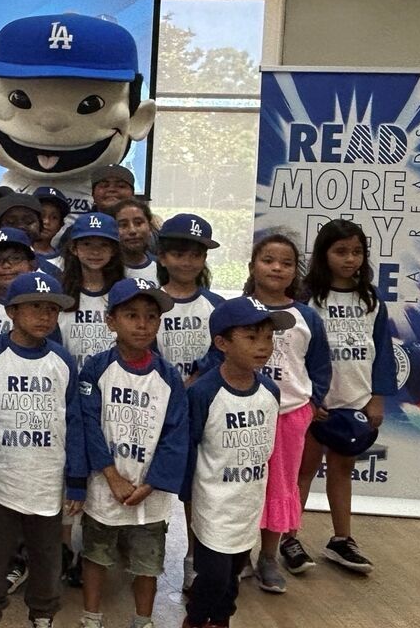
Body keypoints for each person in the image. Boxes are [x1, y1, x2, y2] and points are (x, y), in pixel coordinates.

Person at [0, 271, 83, 628]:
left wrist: (76, 480)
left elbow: (73, 421)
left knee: (47, 556)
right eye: (34, 308)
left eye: (51, 309)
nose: (44, 316)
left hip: (46, 479)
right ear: (11, 311)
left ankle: (43, 614)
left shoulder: (62, 360)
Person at [223, 234, 331, 594]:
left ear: (294, 271)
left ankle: (269, 556)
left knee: (280, 487)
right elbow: (219, 358)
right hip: (243, 412)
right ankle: (240, 555)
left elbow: (319, 366)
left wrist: (311, 403)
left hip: (289, 416)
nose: (277, 268)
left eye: (286, 263)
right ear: (253, 264)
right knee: (243, 484)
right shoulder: (236, 310)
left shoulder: (306, 317)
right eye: (268, 260)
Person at [77, 278, 188, 628]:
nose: (142, 324)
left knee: (148, 563)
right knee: (95, 555)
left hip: (148, 495)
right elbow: (88, 424)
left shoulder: (168, 376)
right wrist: (110, 474)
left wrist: (152, 484)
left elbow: (175, 435)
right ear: (111, 321)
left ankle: (143, 620)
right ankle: (91, 616)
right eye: (132, 315)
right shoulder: (96, 368)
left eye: (151, 316)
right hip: (105, 487)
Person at [289, 219, 397, 575]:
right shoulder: (307, 299)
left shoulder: (371, 299)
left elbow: (381, 350)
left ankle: (341, 540)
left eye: (356, 252)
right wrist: (308, 397)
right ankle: (289, 536)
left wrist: (377, 397)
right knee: (303, 469)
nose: (349, 259)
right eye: (340, 251)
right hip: (315, 403)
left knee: (342, 467)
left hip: (356, 399)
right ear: (324, 254)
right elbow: (296, 352)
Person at [181, 298, 290, 628]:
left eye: (269, 337)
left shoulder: (270, 390)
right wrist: (187, 494)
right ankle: (196, 620)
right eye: (251, 337)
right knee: (212, 577)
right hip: (213, 507)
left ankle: (221, 619)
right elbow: (190, 448)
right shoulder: (203, 392)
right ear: (222, 343)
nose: (262, 346)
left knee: (232, 579)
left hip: (247, 505)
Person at [154, 214, 223, 384]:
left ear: (204, 258)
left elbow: (221, 350)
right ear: (162, 258)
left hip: (205, 394)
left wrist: (196, 379)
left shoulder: (218, 305)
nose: (187, 262)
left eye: (196, 255)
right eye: (178, 255)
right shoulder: (149, 302)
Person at [57, 213, 124, 371]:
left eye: (103, 245)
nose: (95, 252)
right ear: (74, 248)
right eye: (87, 244)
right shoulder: (59, 293)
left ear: (113, 250)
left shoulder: (123, 293)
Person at [0, 192, 60, 278]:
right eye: (11, 222)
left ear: (40, 226)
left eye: (28, 221)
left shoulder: (53, 273)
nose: (20, 227)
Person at [112, 199, 158, 283]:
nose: (132, 230)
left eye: (138, 223)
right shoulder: (104, 269)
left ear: (150, 227)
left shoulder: (163, 268)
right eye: (123, 225)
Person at [32, 187, 70, 267]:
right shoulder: (18, 250)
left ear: (61, 224)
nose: (46, 221)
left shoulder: (63, 262)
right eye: (42, 215)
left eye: (54, 217)